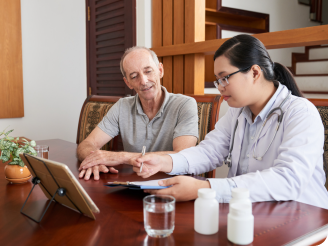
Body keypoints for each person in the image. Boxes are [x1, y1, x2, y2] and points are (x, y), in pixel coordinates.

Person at [81, 35, 328, 209]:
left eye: (224, 78)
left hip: (302, 216)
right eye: (216, 81)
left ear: (254, 72)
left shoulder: (300, 113)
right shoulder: (237, 113)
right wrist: (162, 161)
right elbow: (208, 152)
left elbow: (288, 180)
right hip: (250, 211)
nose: (219, 88)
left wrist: (207, 187)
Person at [77, 46, 199, 180]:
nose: (144, 81)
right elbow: (86, 145)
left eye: (148, 71)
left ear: (160, 70)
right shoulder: (122, 106)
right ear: (128, 83)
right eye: (134, 76)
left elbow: (182, 155)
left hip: (172, 184)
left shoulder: (185, 104)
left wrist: (121, 157)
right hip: (133, 183)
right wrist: (94, 161)